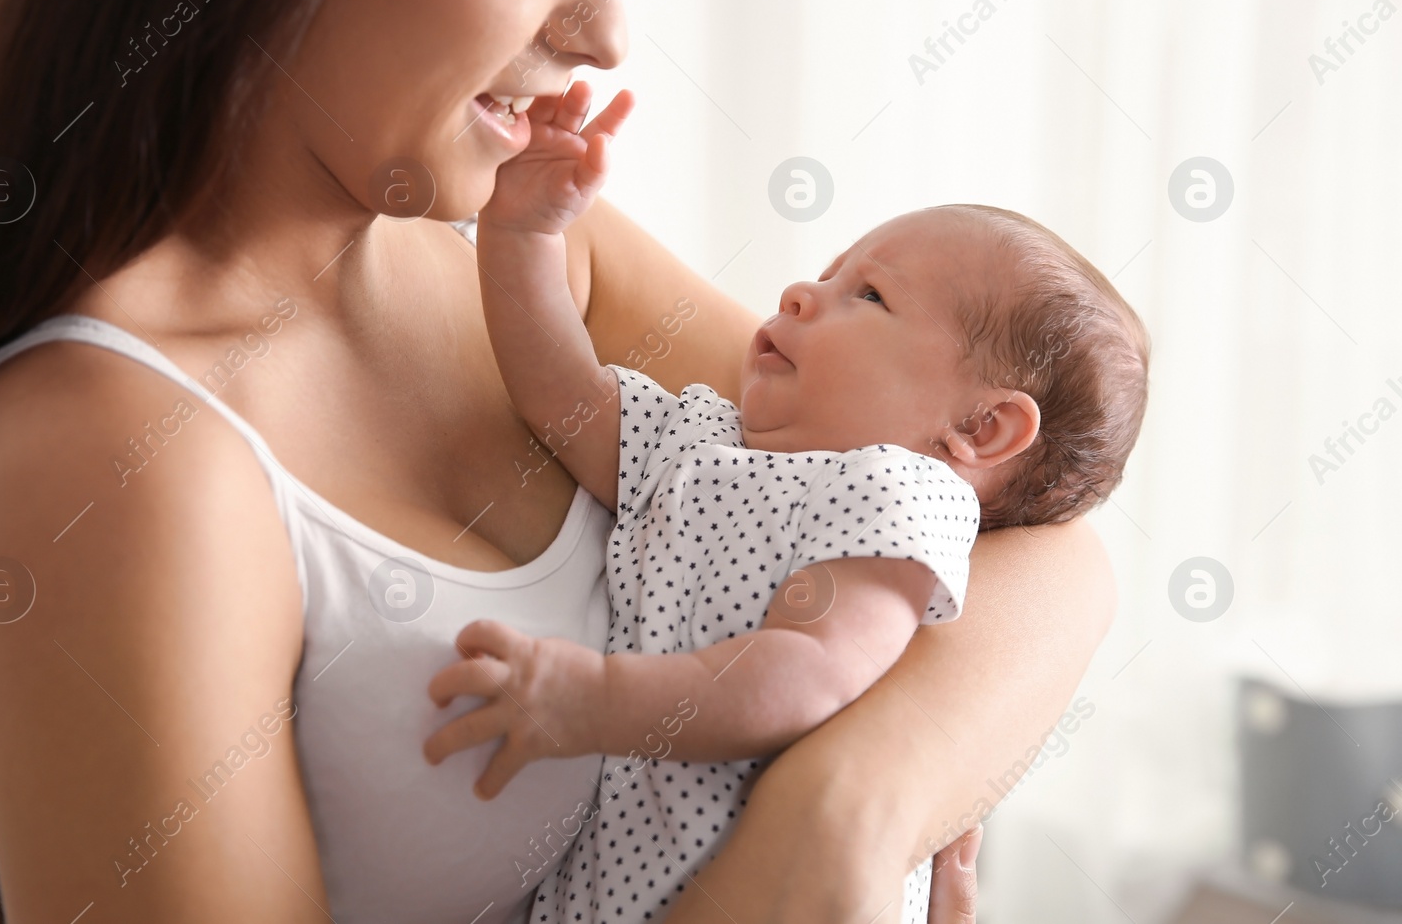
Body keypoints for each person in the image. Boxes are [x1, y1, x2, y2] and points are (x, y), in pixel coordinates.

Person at [0, 0, 1116, 922]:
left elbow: (1034, 540)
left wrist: (841, 818)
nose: (604, 30)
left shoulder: (534, 256)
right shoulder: (105, 458)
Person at [423, 85, 1148, 922]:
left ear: (980, 427)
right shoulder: (706, 435)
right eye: (829, 271)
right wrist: (523, 233)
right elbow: (562, 397)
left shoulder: (897, 497)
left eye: (869, 296)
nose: (803, 291)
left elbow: (806, 674)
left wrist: (590, 698)